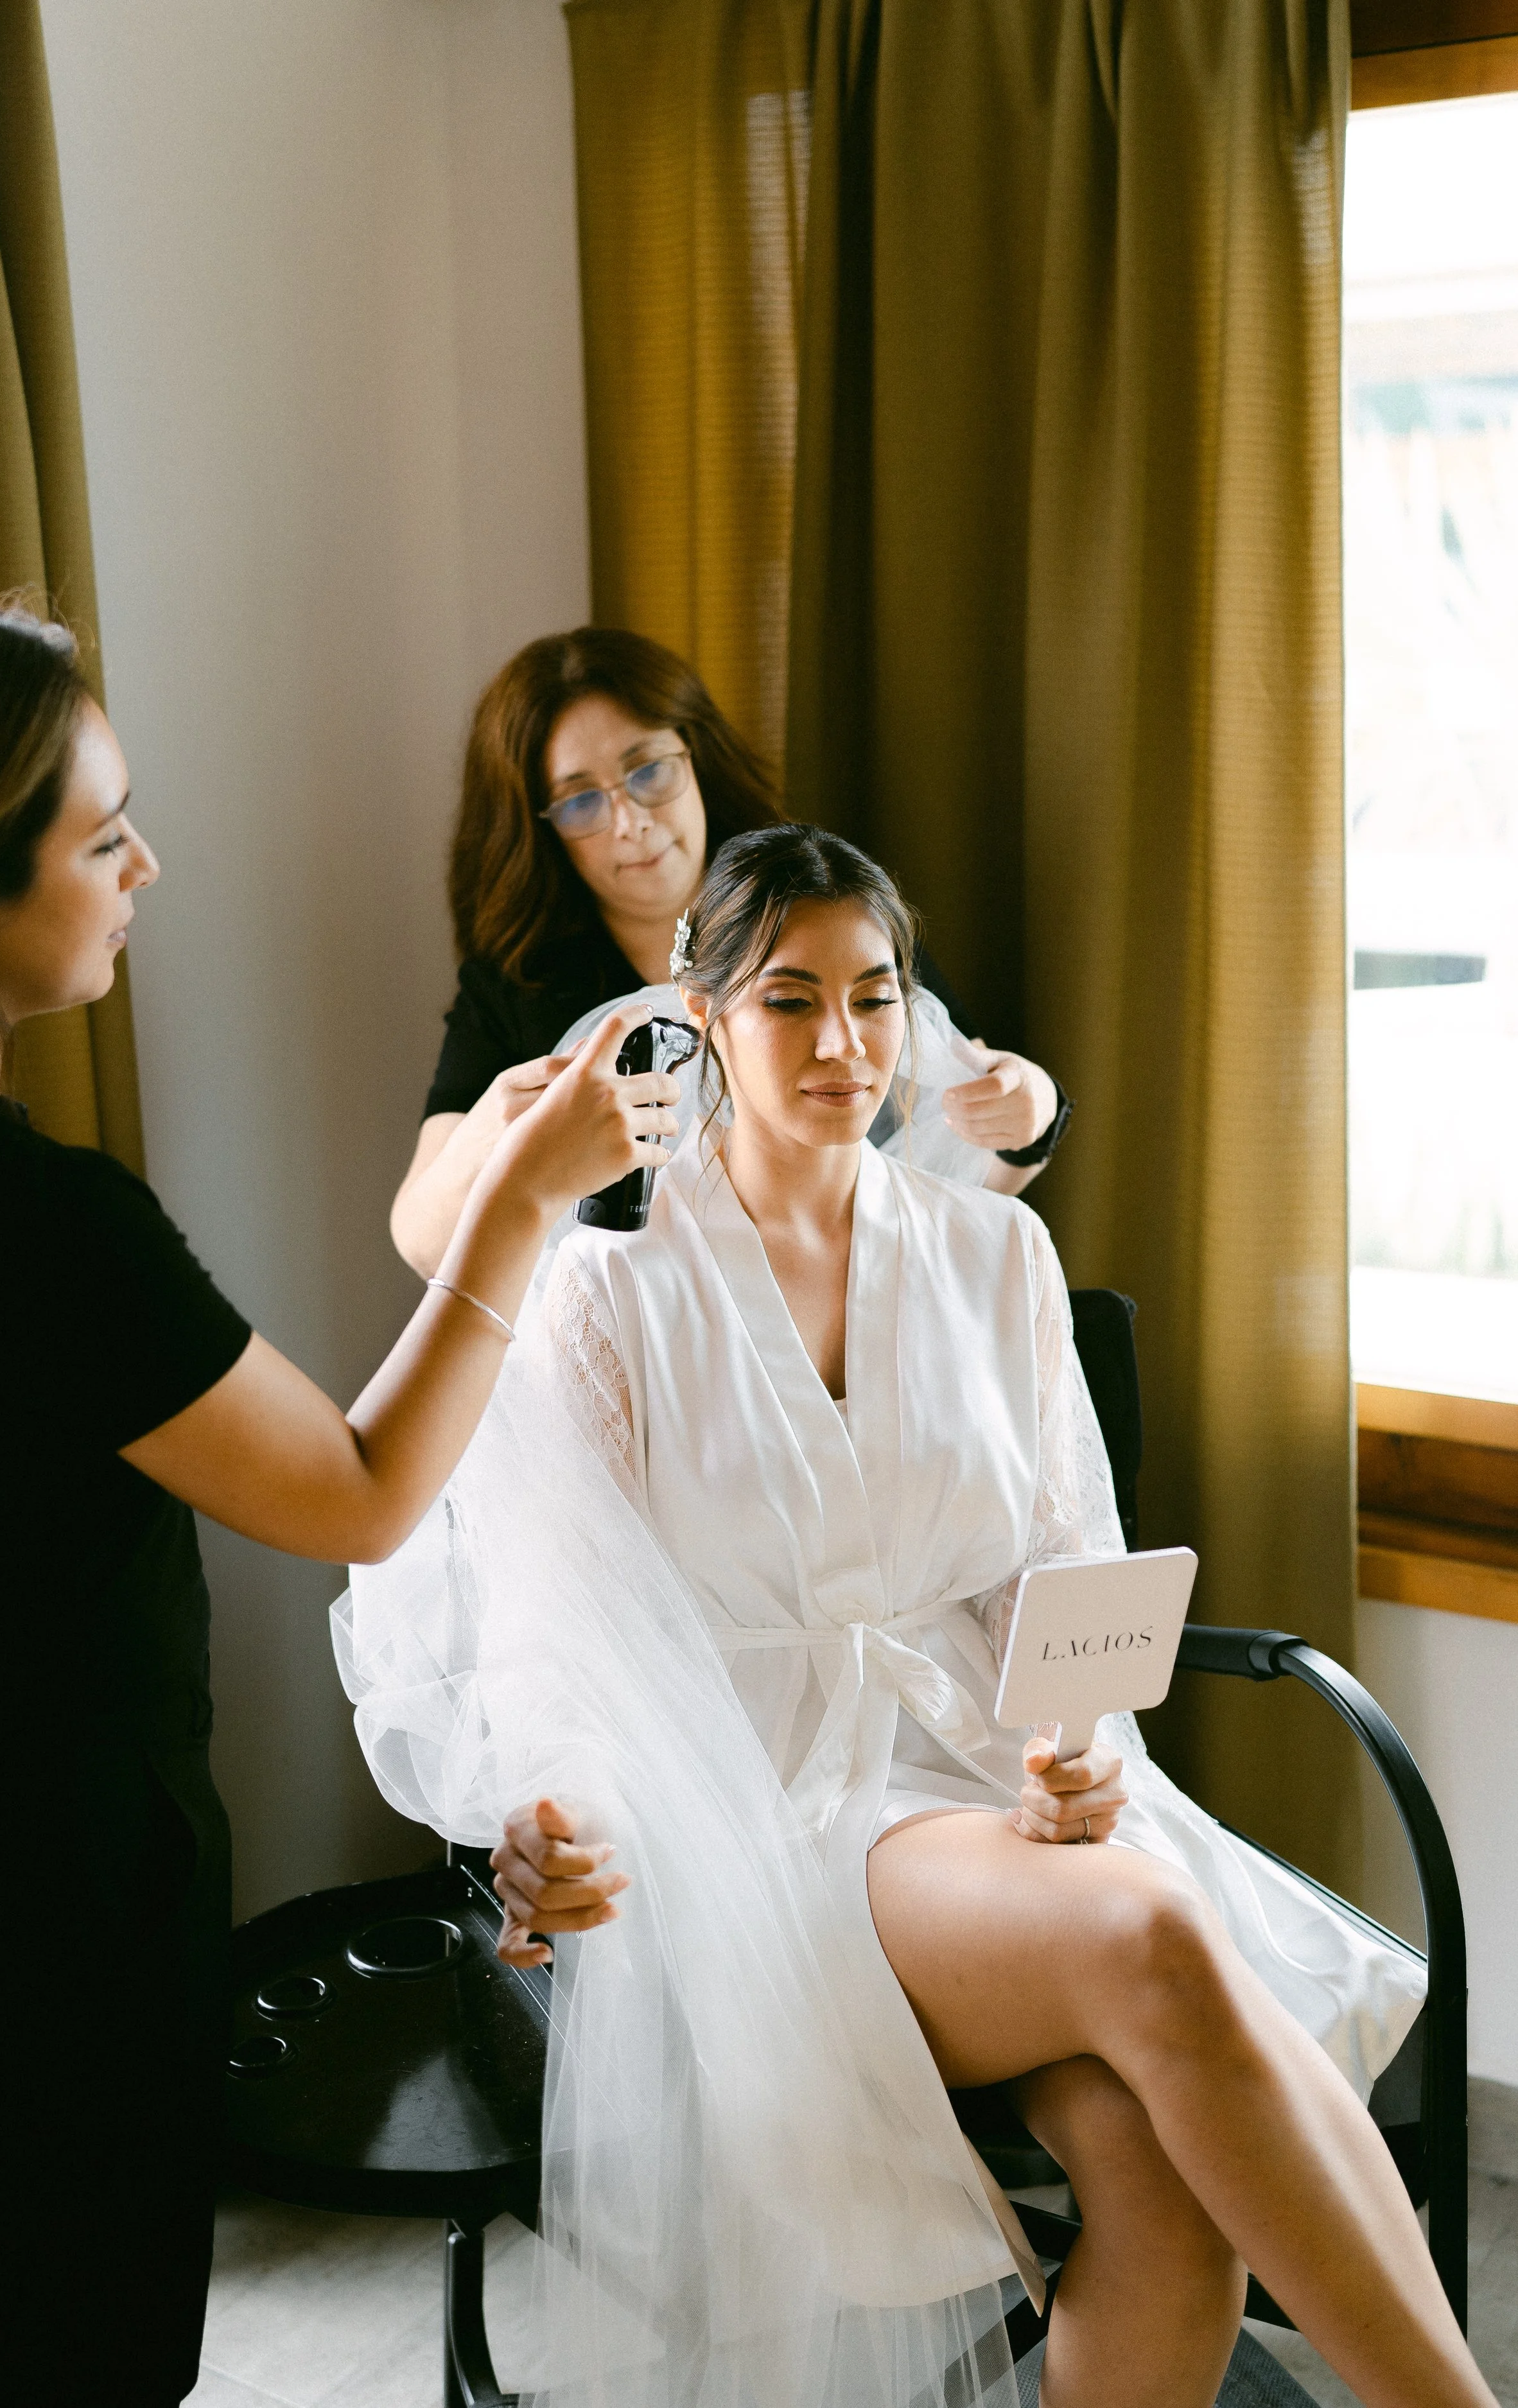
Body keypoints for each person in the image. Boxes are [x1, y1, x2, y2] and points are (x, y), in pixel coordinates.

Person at [339, 826, 1490, 2408]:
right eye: (790, 1000)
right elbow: (556, 1627)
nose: (842, 1045)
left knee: (1162, 2183)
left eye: (875, 998)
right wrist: (557, 1812)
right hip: (761, 1826)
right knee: (1157, 1930)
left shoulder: (994, 1248)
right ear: (703, 1013)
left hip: (992, 1809)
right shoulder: (611, 1285)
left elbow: (1066, 1569)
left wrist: (1079, 1746)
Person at [0, 595, 679, 2408]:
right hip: (49, 1903)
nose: (145, 864)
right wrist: (517, 1199)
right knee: (53, 2336)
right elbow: (356, 1494)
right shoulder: (45, 1235)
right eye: (101, 836)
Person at [389, 627, 1072, 1277]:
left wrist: (1029, 1114)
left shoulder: (823, 912)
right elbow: (425, 1245)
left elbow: (970, 1160)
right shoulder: (517, 986)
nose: (631, 822)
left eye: (648, 771)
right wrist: (498, 1133)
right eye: (580, 803)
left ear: (697, 757)